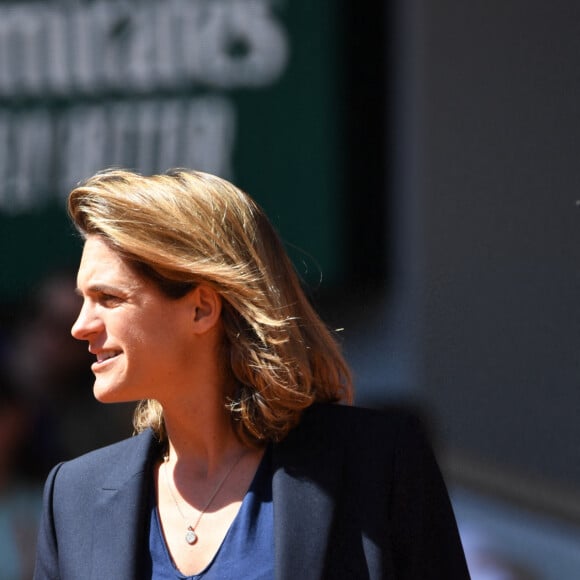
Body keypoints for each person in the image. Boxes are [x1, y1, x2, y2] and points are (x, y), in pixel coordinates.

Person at [34, 168, 469, 579]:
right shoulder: (73, 497)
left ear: (201, 308)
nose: (80, 325)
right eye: (83, 299)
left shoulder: (378, 464)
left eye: (108, 298)